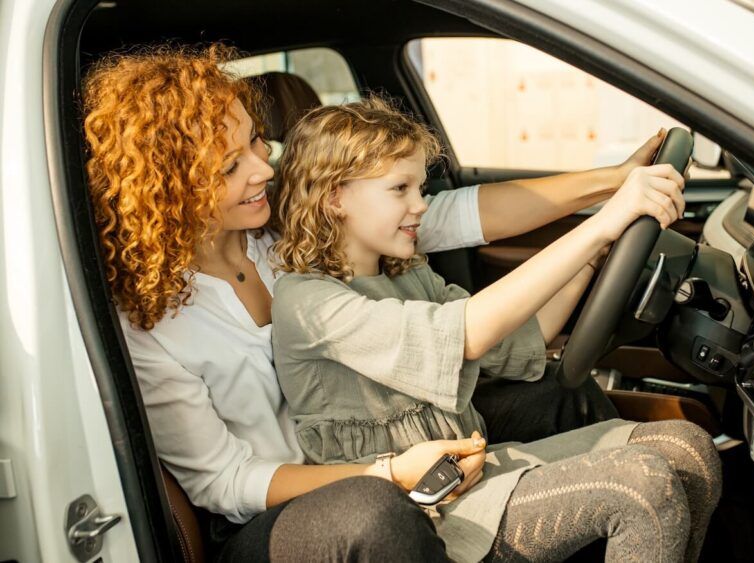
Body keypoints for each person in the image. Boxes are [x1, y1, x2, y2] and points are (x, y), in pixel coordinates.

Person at [81, 44, 716, 561]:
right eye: (229, 166)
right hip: (279, 518)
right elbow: (227, 483)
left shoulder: (280, 233)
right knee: (372, 512)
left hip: (379, 438)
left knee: (561, 396)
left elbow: (445, 215)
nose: (264, 168)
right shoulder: (148, 324)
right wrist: (388, 472)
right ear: (169, 188)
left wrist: (608, 184)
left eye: (256, 143)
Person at [271, 97, 721, 562]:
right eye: (399, 188)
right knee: (641, 488)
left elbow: (521, 337)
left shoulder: (407, 274)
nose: (421, 206)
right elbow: (466, 332)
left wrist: (593, 258)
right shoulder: (308, 302)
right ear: (333, 196)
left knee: (689, 450)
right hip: (423, 510)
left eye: (420, 188)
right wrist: (602, 225)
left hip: (475, 471)